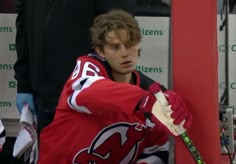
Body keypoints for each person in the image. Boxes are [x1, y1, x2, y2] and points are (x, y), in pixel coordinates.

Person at [38, 9, 193, 164]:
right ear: (101, 51)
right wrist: (143, 100)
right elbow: (87, 94)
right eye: (115, 47)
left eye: (129, 44)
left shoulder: (153, 94)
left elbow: (156, 149)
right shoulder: (89, 68)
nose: (125, 53)